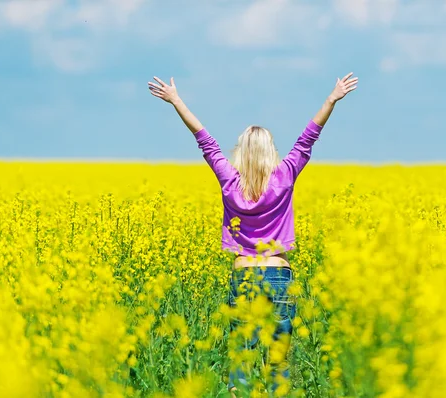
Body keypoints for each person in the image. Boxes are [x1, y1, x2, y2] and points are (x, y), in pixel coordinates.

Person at [148, 72, 358, 396]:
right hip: (279, 274)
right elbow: (308, 137)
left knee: (241, 361)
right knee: (277, 363)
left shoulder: (229, 181)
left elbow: (204, 140)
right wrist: (331, 99)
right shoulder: (285, 175)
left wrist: (176, 100)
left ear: (241, 152)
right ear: (270, 151)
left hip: (243, 274)